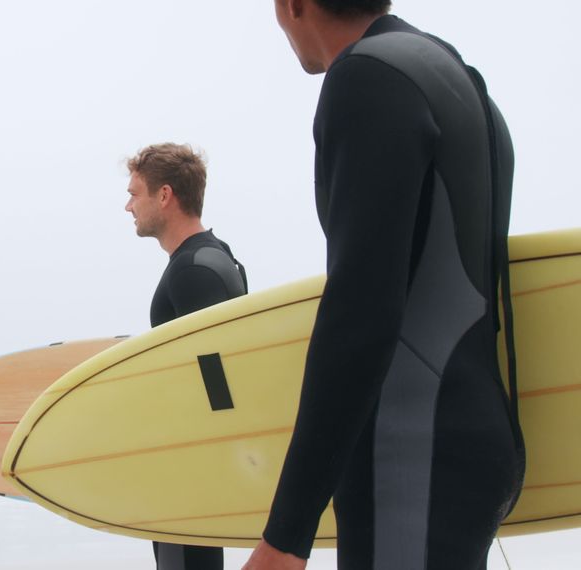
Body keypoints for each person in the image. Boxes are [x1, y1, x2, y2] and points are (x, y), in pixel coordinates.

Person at [243, 2, 525, 569]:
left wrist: (286, 536)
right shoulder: (455, 75)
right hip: (472, 436)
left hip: (409, 451)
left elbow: (360, 311)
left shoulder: (367, 77)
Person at [125, 142, 249, 570]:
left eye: (135, 193)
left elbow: (215, 383)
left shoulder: (196, 271)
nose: (128, 206)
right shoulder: (213, 258)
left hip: (187, 471)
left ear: (165, 195)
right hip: (190, 465)